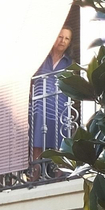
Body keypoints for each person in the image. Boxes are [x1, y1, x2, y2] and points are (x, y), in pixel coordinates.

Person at [28, 24, 75, 166]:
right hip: (39, 107)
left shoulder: (70, 63)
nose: (63, 41)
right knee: (37, 142)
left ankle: (59, 173)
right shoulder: (41, 58)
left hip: (60, 108)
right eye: (60, 37)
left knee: (59, 142)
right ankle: (35, 172)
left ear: (69, 43)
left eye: (67, 38)